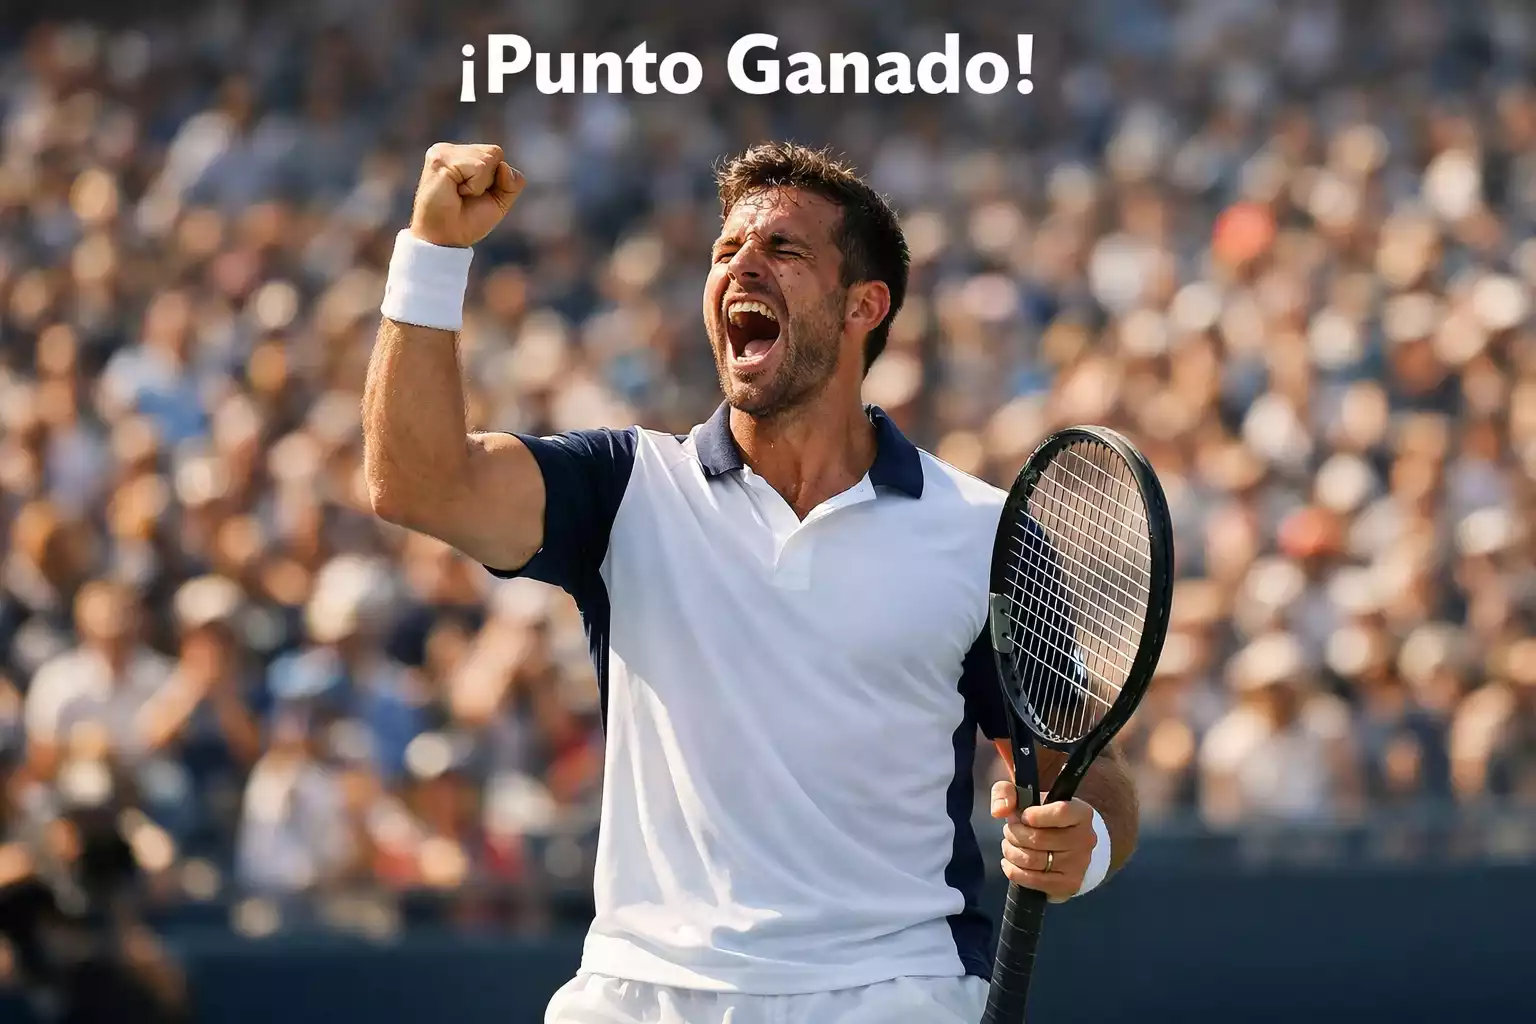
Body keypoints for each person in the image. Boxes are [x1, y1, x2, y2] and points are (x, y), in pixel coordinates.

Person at [363, 140, 1140, 1023]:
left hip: (897, 994)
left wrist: (1090, 837)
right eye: (726, 251)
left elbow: (1088, 764)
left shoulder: (984, 529)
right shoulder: (623, 489)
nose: (741, 268)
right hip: (638, 994)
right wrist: (433, 252)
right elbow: (416, 482)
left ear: (864, 306)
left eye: (783, 250)